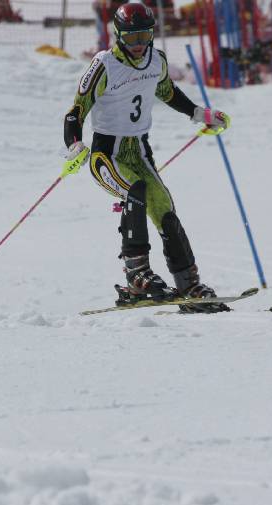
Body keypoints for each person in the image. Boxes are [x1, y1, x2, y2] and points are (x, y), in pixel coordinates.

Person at [63, 3, 232, 313]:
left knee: (163, 206)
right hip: (107, 155)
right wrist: (74, 145)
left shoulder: (157, 60)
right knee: (135, 191)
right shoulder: (104, 64)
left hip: (140, 151)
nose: (139, 45)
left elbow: (168, 92)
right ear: (118, 36)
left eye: (145, 36)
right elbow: (76, 111)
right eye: (132, 38)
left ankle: (189, 285)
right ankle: (136, 276)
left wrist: (199, 113)